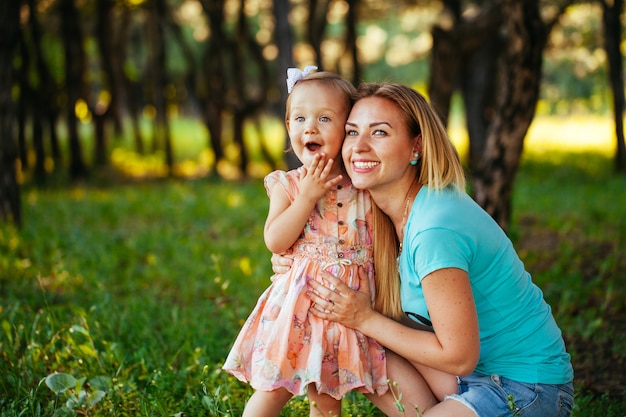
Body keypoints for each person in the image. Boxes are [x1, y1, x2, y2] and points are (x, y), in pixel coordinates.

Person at [274, 82, 574, 416]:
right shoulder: (379, 215)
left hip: (523, 387)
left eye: (380, 133)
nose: (359, 147)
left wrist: (364, 318)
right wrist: (294, 259)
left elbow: (460, 355)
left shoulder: (435, 227)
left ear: (416, 146)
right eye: (351, 132)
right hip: (462, 378)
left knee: (358, 324)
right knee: (351, 332)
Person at [222, 69, 387, 417]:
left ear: (347, 129)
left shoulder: (363, 184)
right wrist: (307, 198)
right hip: (298, 309)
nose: (309, 127)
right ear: (288, 127)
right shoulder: (289, 185)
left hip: (346, 308)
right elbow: (275, 240)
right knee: (273, 389)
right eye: (299, 118)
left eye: (324, 118)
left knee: (327, 400)